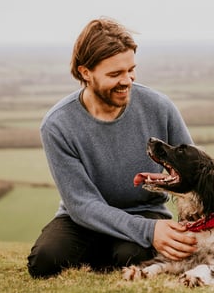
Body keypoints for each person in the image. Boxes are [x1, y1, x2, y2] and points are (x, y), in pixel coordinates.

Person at [27, 17, 198, 278]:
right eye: (115, 74)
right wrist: (148, 233)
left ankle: (111, 255)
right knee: (46, 261)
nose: (127, 80)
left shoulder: (159, 107)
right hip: (84, 220)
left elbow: (193, 172)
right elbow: (82, 204)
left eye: (131, 69)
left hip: (145, 213)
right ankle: (108, 253)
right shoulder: (58, 124)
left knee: (132, 256)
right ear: (86, 73)